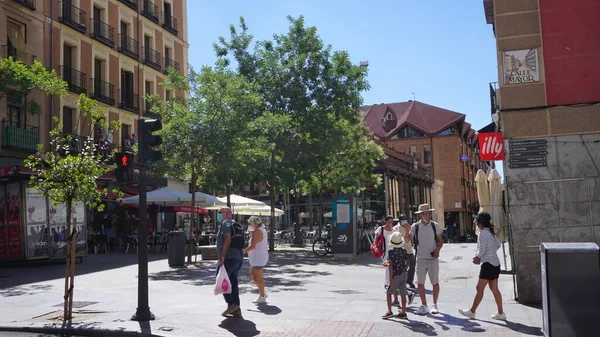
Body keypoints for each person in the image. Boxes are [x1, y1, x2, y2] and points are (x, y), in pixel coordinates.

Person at [459, 212, 506, 320]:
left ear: (480, 222)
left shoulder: (482, 233)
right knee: (494, 289)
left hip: (488, 264)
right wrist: (491, 252)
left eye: (476, 220)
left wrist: (478, 257)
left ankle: (472, 311)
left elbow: (482, 250)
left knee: (479, 288)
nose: (474, 221)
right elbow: (498, 244)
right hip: (495, 263)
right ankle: (501, 313)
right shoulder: (490, 232)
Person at [410, 203, 444, 315]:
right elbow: (407, 239)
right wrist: (405, 229)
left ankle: (434, 304)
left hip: (433, 258)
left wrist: (438, 249)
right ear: (421, 215)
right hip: (420, 258)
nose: (428, 216)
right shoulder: (415, 226)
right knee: (420, 282)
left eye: (429, 214)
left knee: (435, 282)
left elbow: (440, 240)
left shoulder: (435, 225)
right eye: (426, 214)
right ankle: (424, 305)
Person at [216, 206, 244, 317]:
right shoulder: (235, 224)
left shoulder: (226, 224)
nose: (218, 214)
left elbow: (228, 239)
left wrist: (222, 256)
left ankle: (232, 304)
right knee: (232, 282)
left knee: (222, 281)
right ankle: (235, 306)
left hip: (229, 258)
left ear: (226, 213)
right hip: (238, 257)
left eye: (220, 212)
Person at [382, 232, 410, 319]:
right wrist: (404, 268)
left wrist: (390, 279)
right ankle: (403, 312)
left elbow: (390, 266)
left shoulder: (391, 252)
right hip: (404, 274)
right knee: (403, 293)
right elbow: (408, 262)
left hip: (395, 275)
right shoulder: (404, 251)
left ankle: (389, 311)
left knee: (389, 293)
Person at [375, 216, 400, 305]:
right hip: (386, 255)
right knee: (390, 276)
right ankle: (396, 297)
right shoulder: (380, 229)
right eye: (389, 221)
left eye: (391, 222)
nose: (390, 223)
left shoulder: (394, 231)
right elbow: (376, 239)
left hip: (394, 255)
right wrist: (376, 247)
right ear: (385, 221)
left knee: (391, 277)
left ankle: (396, 298)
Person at [244, 216, 269, 304]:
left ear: (254, 223)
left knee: (258, 277)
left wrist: (244, 252)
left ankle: (262, 296)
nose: (249, 225)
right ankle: (262, 293)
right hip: (257, 257)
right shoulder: (261, 230)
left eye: (250, 224)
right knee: (253, 275)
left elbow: (252, 246)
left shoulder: (257, 232)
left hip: (258, 258)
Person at [394, 214, 417, 291]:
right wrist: (407, 231)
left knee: (412, 265)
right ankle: (401, 282)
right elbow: (402, 241)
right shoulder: (396, 229)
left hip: (409, 250)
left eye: (405, 219)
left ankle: (409, 281)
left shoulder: (409, 227)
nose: (404, 221)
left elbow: (410, 238)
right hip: (401, 251)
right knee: (403, 267)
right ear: (399, 220)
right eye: (403, 219)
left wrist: (408, 230)